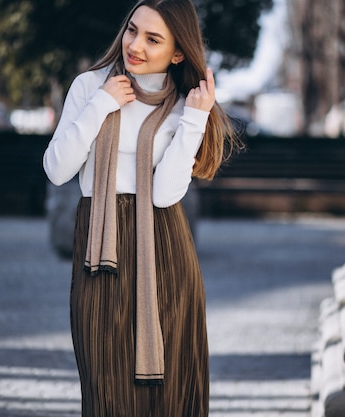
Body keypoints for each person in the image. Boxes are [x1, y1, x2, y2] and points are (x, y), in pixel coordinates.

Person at [43, 1, 236, 415]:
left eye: (153, 39)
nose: (135, 45)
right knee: (105, 382)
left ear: (178, 52)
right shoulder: (90, 85)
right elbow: (57, 169)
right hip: (102, 249)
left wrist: (195, 119)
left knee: (170, 387)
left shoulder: (185, 106)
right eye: (133, 30)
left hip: (164, 248)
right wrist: (103, 104)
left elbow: (165, 194)